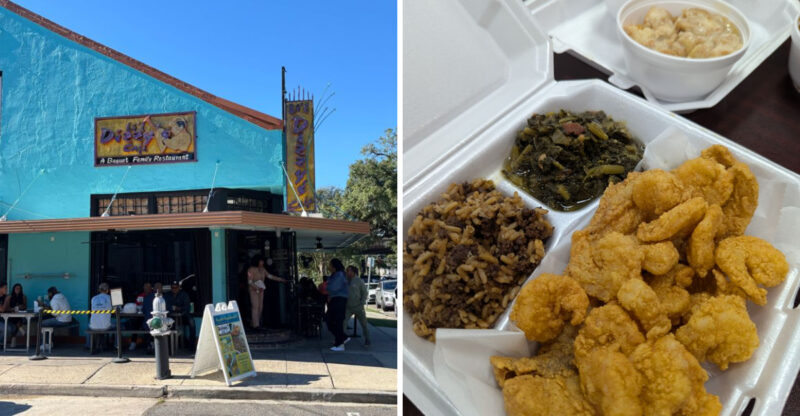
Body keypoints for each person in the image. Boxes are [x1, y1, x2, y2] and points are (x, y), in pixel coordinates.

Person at [246, 256, 289, 330]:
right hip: (253, 290)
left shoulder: (263, 270)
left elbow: (270, 276)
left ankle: (256, 323)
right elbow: (249, 281)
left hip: (261, 290)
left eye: (262, 261)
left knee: (260, 307)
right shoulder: (251, 269)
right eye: (261, 261)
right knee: (255, 306)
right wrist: (256, 287)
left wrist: (281, 279)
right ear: (257, 261)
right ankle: (255, 325)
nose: (262, 262)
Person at [326, 258, 349, 351]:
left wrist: (327, 286)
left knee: (336, 321)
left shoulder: (339, 275)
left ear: (334, 266)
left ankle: (340, 344)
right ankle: (342, 338)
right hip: (336, 300)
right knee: (330, 320)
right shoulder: (336, 275)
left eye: (330, 265)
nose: (329, 267)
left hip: (339, 300)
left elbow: (332, 288)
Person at [343, 266, 370, 346]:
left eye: (349, 271)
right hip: (348, 307)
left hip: (358, 306)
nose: (347, 272)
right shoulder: (345, 280)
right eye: (347, 271)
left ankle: (367, 339)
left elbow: (365, 292)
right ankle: (342, 338)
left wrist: (362, 302)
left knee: (364, 324)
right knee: (343, 322)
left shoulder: (359, 281)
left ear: (353, 272)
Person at [164, 281, 196, 349]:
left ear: (179, 287)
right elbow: (165, 306)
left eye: (176, 287)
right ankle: (169, 345)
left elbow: (187, 307)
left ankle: (192, 345)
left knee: (192, 321)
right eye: (172, 287)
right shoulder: (167, 295)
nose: (174, 289)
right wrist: (173, 308)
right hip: (171, 315)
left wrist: (179, 308)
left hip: (183, 315)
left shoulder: (184, 294)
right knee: (166, 323)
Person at [86, 283, 114, 350]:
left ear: (99, 290)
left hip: (93, 326)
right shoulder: (110, 298)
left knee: (89, 325)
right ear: (107, 290)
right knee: (119, 326)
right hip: (106, 326)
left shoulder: (93, 298)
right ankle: (117, 346)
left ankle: (89, 345)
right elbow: (117, 309)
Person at [130, 282, 153, 350]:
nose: (146, 289)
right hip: (141, 316)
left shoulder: (153, 296)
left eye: (148, 287)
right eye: (145, 287)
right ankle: (133, 342)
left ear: (150, 288)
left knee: (151, 326)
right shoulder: (140, 296)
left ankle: (150, 344)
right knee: (135, 324)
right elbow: (136, 306)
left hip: (150, 316)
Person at [141, 282, 162, 354]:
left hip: (148, 324)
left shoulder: (146, 298)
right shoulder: (162, 298)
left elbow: (143, 310)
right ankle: (155, 346)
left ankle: (150, 345)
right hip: (160, 325)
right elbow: (169, 310)